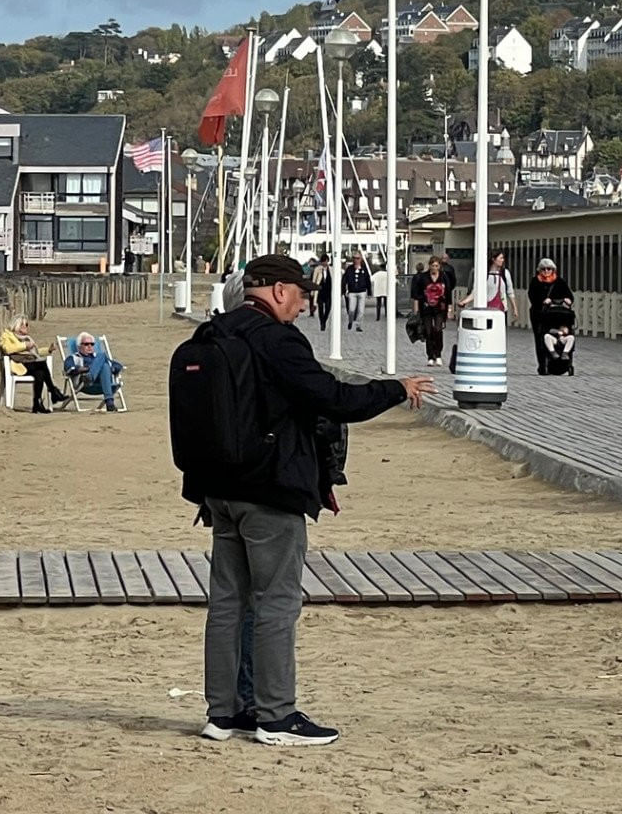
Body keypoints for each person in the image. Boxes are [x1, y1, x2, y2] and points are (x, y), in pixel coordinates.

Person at [181, 253, 433, 747]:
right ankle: (276, 716)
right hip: (269, 491)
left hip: (218, 490)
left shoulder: (210, 335)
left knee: (228, 602)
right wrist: (395, 389)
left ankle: (224, 713)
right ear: (277, 291)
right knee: (276, 601)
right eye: (300, 295)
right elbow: (333, 399)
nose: (302, 306)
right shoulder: (276, 339)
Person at [0, 316, 69, 413]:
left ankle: (37, 404)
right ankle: (53, 391)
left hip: (30, 363)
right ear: (16, 325)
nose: (25, 327)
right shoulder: (7, 336)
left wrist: (48, 350)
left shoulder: (27, 339)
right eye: (22, 325)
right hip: (19, 365)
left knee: (40, 373)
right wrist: (25, 345)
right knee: (42, 364)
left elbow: (35, 353)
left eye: (26, 325)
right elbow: (8, 349)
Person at [528, 258, 575, 375]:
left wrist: (568, 300)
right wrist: (543, 301)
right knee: (540, 339)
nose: (546, 271)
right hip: (540, 315)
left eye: (549, 269)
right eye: (543, 269)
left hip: (558, 314)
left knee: (565, 334)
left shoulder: (559, 281)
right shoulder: (535, 281)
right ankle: (543, 365)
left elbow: (569, 295)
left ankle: (563, 362)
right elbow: (532, 297)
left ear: (553, 270)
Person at [65, 332, 124, 412]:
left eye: (92, 344)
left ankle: (90, 376)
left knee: (105, 366)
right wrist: (84, 369)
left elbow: (118, 366)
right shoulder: (73, 358)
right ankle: (109, 402)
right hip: (84, 384)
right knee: (103, 360)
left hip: (101, 381)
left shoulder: (98, 358)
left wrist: (111, 369)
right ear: (79, 346)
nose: (90, 346)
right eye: (86, 344)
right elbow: (69, 369)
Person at [418, 257, 452, 367]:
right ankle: (430, 356)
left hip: (440, 307)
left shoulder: (444, 277)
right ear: (429, 265)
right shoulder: (424, 277)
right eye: (433, 266)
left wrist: (450, 309)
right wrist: (417, 310)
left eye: (437, 266)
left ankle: (438, 354)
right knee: (428, 331)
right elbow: (418, 294)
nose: (434, 268)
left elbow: (448, 293)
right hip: (426, 307)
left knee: (438, 329)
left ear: (439, 267)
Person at [476, 249, 518, 324]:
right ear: (493, 259)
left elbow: (510, 292)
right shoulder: (485, 273)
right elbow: (477, 291)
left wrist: (514, 308)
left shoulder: (505, 273)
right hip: (486, 309)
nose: (503, 260)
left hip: (501, 309)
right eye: (501, 258)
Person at [341, 254, 372, 332]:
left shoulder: (364, 269)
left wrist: (369, 291)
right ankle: (350, 321)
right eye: (354, 258)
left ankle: (358, 325)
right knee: (351, 309)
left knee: (361, 310)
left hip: (362, 291)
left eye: (358, 258)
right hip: (352, 292)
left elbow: (367, 280)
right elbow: (344, 280)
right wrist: (343, 290)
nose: (356, 260)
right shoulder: (349, 269)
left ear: (360, 259)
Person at [311, 255, 333, 334]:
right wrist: (312, 291)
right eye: (323, 261)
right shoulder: (317, 269)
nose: (325, 263)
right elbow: (314, 280)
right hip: (320, 291)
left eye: (326, 261)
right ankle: (322, 323)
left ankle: (324, 319)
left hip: (328, 292)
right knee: (320, 308)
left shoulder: (331, 269)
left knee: (328, 308)